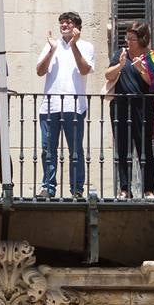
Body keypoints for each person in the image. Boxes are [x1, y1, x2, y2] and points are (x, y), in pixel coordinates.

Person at [35, 11, 95, 199]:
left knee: (75, 150)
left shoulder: (86, 46)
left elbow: (85, 70)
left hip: (75, 107)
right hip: (50, 107)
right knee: (48, 149)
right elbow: (40, 71)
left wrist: (74, 45)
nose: (64, 25)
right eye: (62, 22)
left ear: (77, 26)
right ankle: (48, 187)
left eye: (68, 23)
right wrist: (52, 50)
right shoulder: (51, 45)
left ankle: (77, 190)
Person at [103, 22, 154, 199]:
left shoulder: (150, 56)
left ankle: (149, 189)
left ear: (142, 39)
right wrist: (120, 65)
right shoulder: (120, 53)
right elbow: (108, 74)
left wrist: (141, 68)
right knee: (123, 148)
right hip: (120, 106)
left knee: (145, 148)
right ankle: (124, 189)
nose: (129, 41)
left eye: (132, 38)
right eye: (128, 38)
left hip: (142, 107)